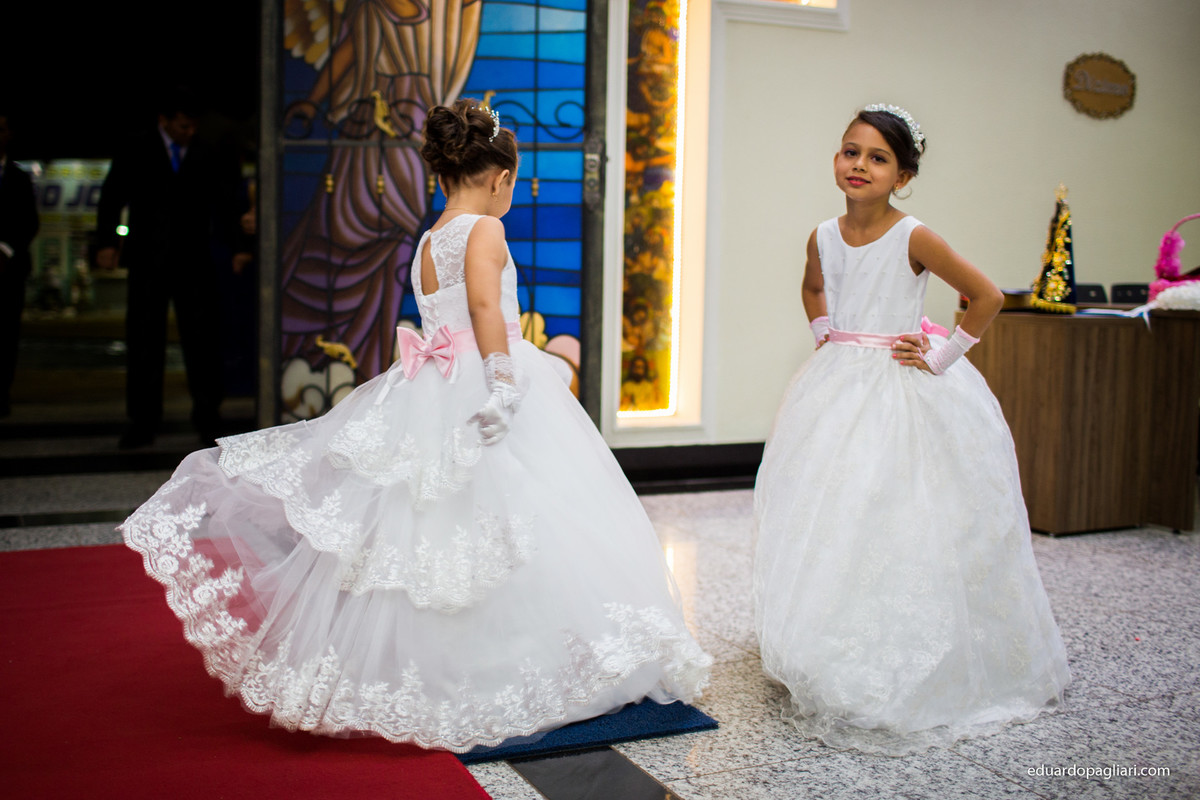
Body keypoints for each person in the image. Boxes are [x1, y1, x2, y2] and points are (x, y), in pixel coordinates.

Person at [120, 98, 710, 751]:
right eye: (512, 181)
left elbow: (447, 316)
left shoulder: (431, 238)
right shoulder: (486, 230)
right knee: (518, 520)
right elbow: (485, 306)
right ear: (498, 177)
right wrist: (505, 383)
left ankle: (443, 657)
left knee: (436, 531)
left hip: (432, 387)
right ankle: (520, 658)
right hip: (484, 380)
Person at [753, 105, 1070, 755]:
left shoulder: (913, 236)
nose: (858, 165)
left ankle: (912, 642)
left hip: (899, 388)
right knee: (832, 509)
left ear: (904, 175)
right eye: (850, 151)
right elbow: (814, 286)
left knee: (894, 509)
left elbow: (987, 295)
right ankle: (832, 636)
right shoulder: (822, 234)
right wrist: (827, 336)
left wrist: (943, 354)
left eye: (876, 158)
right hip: (839, 383)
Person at [96, 88, 240, 448]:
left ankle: (208, 417)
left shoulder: (207, 149)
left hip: (195, 260)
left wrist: (242, 244)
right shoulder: (137, 147)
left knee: (203, 341)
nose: (188, 132)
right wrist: (106, 243)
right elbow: (112, 197)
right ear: (163, 121)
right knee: (145, 340)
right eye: (181, 125)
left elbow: (227, 200)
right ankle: (143, 420)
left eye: (192, 126)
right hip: (148, 259)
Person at [0, 113, 39, 418]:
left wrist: (5, 249)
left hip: (9, 269)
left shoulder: (19, 177)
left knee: (7, 334)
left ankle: (3, 393)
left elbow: (29, 221)